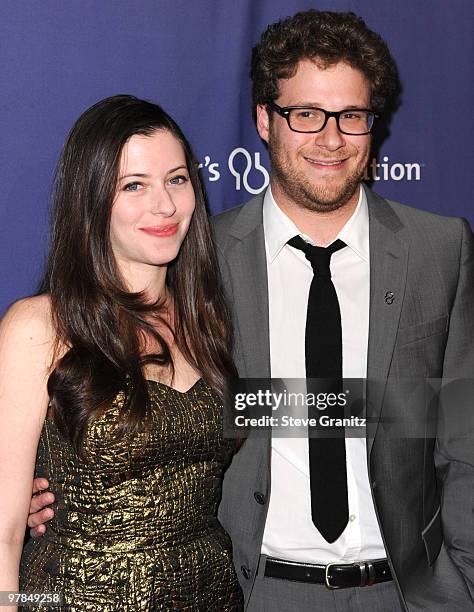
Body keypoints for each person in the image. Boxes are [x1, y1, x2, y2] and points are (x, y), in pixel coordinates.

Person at [29, 9, 474, 612]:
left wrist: (461, 584)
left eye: (352, 116)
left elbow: (459, 430)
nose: (331, 138)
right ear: (265, 120)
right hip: (251, 591)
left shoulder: (441, 248)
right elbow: (115, 387)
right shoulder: (193, 259)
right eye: (305, 114)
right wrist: (50, 486)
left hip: (406, 593)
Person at [1, 95, 243, 610]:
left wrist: (415, 405)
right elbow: (2, 535)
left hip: (212, 596)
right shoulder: (40, 326)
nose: (165, 205)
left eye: (177, 180)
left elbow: (282, 412)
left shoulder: (210, 319)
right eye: (134, 186)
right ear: (91, 200)